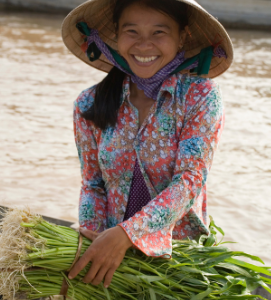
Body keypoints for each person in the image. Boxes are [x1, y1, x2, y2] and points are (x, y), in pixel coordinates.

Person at [59, 0, 233, 288]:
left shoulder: (200, 97)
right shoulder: (89, 103)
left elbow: (189, 181)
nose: (144, 45)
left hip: (178, 258)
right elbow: (92, 184)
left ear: (183, 37)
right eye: (132, 32)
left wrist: (127, 234)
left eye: (159, 33)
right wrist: (87, 244)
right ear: (116, 35)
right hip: (112, 259)